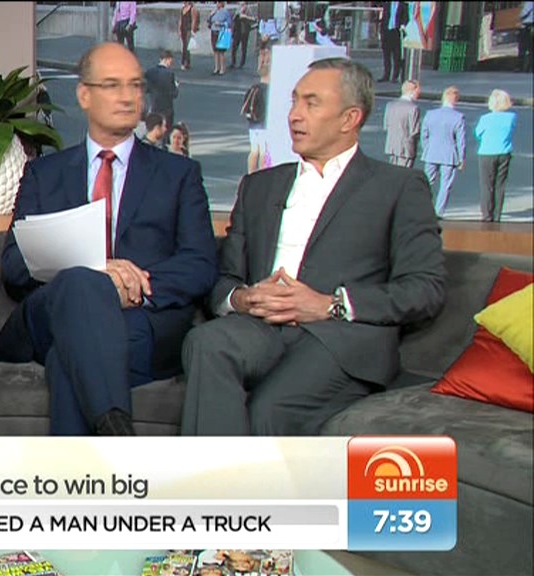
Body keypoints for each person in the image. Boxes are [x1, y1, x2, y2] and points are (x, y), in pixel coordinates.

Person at [180, 58, 445, 436]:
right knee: (206, 342)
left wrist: (330, 304)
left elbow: (424, 288)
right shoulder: (259, 186)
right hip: (259, 328)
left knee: (269, 411)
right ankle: (220, 474)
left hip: (339, 339)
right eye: (294, 101)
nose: (294, 115)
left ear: (350, 118)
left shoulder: (398, 186)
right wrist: (242, 298)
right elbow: (225, 278)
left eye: (311, 103)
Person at [0, 42, 217, 436]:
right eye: (112, 85)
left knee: (69, 357)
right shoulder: (45, 173)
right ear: (84, 95)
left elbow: (199, 264)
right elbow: (13, 266)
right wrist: (98, 278)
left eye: (136, 85)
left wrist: (128, 287)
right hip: (50, 314)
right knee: (82, 283)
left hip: (140, 320)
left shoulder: (179, 174)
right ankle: (116, 438)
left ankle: (106, 438)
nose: (128, 97)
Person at [420, 86, 466, 218]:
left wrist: (427, 148)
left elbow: (424, 135)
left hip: (431, 152)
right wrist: (461, 158)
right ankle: (438, 211)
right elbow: (461, 141)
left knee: (427, 182)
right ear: (456, 100)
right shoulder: (458, 117)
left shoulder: (430, 114)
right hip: (449, 155)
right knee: (445, 184)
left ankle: (423, 207)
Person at [475, 89, 518, 222]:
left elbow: (478, 134)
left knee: (486, 184)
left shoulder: (485, 118)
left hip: (486, 152)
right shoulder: (512, 117)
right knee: (500, 184)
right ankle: (497, 214)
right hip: (504, 152)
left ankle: (487, 214)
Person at [383, 80, 421, 168]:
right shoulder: (413, 108)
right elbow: (415, 131)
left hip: (392, 146)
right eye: (418, 92)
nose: (419, 94)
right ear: (412, 91)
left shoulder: (390, 105)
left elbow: (386, 126)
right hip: (406, 148)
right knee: (404, 172)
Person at [243, 61, 269, 174]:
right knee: (263, 151)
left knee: (254, 151)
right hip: (264, 124)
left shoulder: (253, 88)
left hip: (253, 123)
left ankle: (251, 173)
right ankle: (261, 175)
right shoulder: (268, 90)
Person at [144, 50, 179, 130]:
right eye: (171, 61)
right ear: (168, 60)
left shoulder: (150, 72)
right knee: (166, 130)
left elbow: (146, 89)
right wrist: (176, 86)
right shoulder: (169, 74)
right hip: (167, 109)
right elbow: (174, 94)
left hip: (154, 106)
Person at [378, 1, 408, 83]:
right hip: (387, 32)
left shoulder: (403, 5)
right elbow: (383, 19)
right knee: (386, 56)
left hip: (396, 32)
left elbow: (406, 18)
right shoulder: (387, 5)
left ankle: (395, 76)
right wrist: (381, 32)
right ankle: (386, 75)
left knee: (396, 56)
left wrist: (403, 26)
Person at [208, 1, 234, 76]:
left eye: (219, 2)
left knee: (221, 51)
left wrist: (221, 24)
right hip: (214, 31)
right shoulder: (215, 11)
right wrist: (211, 15)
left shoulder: (225, 12)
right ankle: (216, 68)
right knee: (215, 51)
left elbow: (229, 23)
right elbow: (209, 21)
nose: (217, 4)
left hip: (221, 32)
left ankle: (222, 68)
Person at [230, 2, 256, 69]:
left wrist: (246, 17)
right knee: (234, 47)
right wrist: (238, 13)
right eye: (241, 4)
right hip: (237, 31)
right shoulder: (238, 10)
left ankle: (242, 63)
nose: (242, 6)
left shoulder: (248, 10)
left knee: (244, 48)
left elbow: (254, 19)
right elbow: (233, 19)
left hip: (245, 31)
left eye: (243, 4)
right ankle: (233, 62)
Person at [178, 0, 200, 71]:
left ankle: (184, 62)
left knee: (186, 46)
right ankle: (187, 62)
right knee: (184, 45)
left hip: (188, 29)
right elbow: (180, 19)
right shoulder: (183, 8)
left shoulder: (192, 9)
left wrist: (193, 30)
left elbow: (194, 20)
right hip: (183, 29)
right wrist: (179, 30)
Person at [518, 1, 533, 73]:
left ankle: (521, 67)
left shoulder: (528, 3)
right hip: (530, 26)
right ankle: (530, 68)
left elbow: (522, 15)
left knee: (523, 48)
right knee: (531, 49)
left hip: (526, 26)